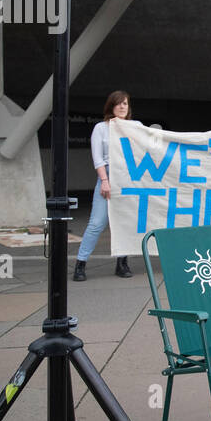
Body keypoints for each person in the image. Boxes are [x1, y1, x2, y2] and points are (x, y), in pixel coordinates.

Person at [74, 91, 134, 281]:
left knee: (125, 223)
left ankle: (122, 262)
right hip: (107, 177)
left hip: (128, 179)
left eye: (125, 103)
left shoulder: (136, 127)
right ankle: (80, 263)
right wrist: (105, 181)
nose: (123, 107)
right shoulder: (101, 128)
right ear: (111, 106)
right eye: (119, 104)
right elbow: (98, 157)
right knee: (97, 223)